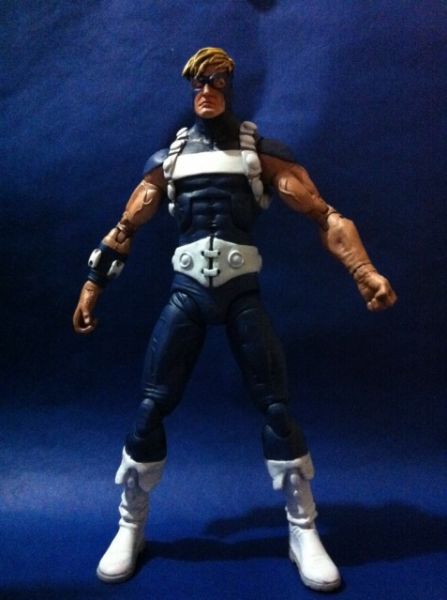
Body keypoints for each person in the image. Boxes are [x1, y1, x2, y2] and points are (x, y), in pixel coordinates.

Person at [73, 47, 396, 592]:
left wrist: (364, 271)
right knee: (151, 406)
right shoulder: (169, 160)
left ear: (229, 86)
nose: (206, 91)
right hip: (186, 294)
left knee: (276, 407)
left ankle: (303, 530)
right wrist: (92, 286)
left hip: (242, 294)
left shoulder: (259, 154)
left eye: (216, 81)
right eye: (198, 83)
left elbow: (324, 215)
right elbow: (124, 229)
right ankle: (130, 525)